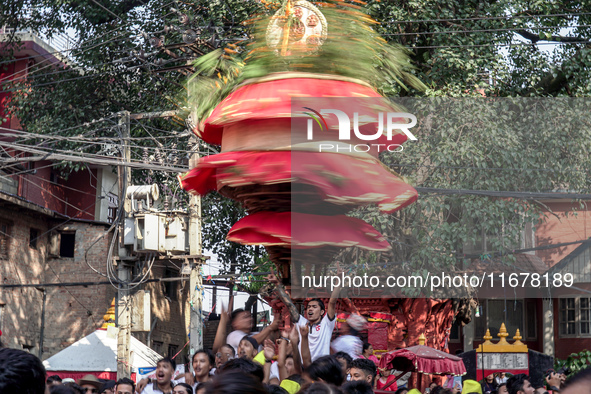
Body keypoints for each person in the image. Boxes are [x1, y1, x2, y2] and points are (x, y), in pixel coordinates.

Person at [267, 269, 341, 362]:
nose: (310, 309)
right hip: (304, 368)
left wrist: (339, 280)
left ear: (322, 312)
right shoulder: (302, 323)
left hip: (322, 368)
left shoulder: (326, 324)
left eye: (314, 307)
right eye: (309, 307)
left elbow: (332, 302)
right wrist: (277, 284)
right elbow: (289, 304)